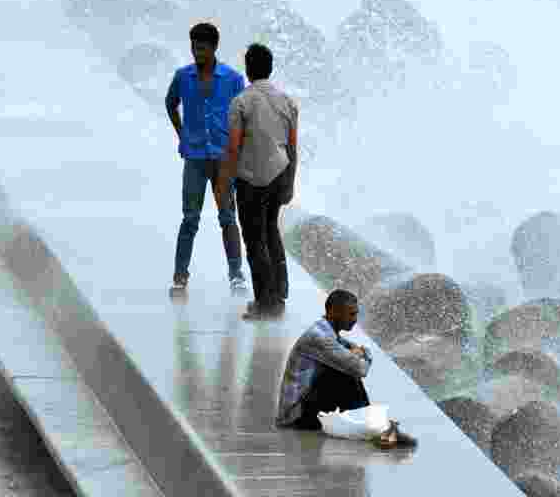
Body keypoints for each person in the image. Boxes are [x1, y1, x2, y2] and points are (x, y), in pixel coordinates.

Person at [216, 43, 298, 319]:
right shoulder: (287, 102)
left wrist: (225, 182)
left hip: (250, 179)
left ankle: (266, 303)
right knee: (271, 229)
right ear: (270, 68)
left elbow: (233, 148)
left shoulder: (241, 102)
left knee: (254, 238)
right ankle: (280, 292)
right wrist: (290, 182)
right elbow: (292, 146)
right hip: (279, 174)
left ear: (249, 70)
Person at [165, 23, 248, 293]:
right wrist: (182, 134)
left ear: (214, 48)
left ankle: (236, 275)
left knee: (227, 217)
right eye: (193, 47)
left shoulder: (233, 79)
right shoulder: (182, 76)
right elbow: (170, 103)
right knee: (190, 218)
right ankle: (180, 276)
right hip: (195, 159)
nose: (196, 52)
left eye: (201, 48)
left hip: (223, 160)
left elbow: (243, 116)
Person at [276, 290, 416, 447]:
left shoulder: (327, 331)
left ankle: (374, 425)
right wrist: (364, 354)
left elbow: (355, 352)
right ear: (333, 312)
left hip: (306, 406)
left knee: (344, 369)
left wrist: (360, 352)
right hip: (296, 415)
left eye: (355, 314)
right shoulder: (320, 337)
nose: (354, 320)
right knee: (344, 375)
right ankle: (374, 427)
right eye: (351, 314)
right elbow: (361, 369)